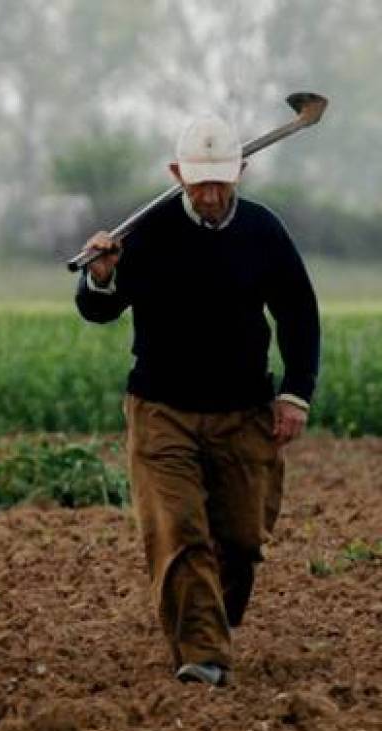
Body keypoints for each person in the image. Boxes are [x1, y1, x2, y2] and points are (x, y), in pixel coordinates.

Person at [74, 113, 321, 686]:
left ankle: (212, 620)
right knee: (179, 532)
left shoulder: (263, 232)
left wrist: (295, 394)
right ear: (176, 173)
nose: (210, 196)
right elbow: (98, 309)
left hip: (243, 413)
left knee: (239, 541)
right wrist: (103, 276)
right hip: (163, 411)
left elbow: (298, 314)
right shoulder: (146, 233)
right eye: (199, 183)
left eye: (221, 183)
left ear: (240, 172)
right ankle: (203, 654)